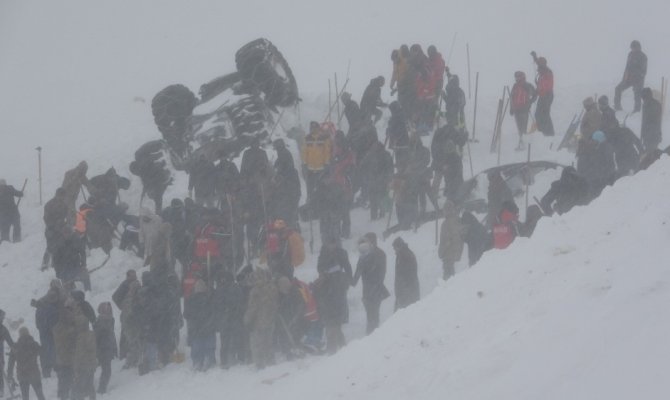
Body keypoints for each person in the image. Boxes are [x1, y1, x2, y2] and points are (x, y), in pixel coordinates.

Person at [314, 237, 352, 354]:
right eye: (329, 243)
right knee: (333, 322)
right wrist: (326, 274)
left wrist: (345, 281)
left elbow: (348, 269)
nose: (331, 246)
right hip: (328, 290)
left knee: (335, 322)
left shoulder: (342, 253)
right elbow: (319, 268)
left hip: (338, 289)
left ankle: (335, 349)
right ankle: (340, 347)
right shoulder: (323, 254)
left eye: (333, 243)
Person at [353, 233, 389, 334]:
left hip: (372, 290)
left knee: (372, 315)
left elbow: (357, 275)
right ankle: (373, 335)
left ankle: (372, 336)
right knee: (373, 315)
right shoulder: (376, 253)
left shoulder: (376, 254)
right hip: (373, 290)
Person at [243, 268, 279, 369]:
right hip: (270, 319)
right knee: (268, 342)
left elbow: (252, 308)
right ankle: (270, 362)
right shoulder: (272, 287)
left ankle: (260, 365)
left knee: (257, 344)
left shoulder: (255, 291)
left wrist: (247, 319)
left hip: (258, 322)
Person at [130, 141, 173, 213]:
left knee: (157, 193)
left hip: (164, 164)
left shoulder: (139, 156)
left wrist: (159, 145)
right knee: (157, 193)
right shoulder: (145, 175)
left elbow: (147, 147)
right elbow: (155, 192)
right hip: (163, 172)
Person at [183, 279, 216, 371]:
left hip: (196, 328)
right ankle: (210, 360)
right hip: (208, 327)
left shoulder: (191, 299)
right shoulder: (209, 298)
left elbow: (186, 314)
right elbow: (213, 312)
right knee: (209, 346)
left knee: (197, 346)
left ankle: (197, 362)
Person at [7, 327, 45, 400]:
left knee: (25, 397)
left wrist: (9, 374)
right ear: (28, 333)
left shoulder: (16, 346)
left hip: (22, 375)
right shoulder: (34, 344)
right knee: (40, 395)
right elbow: (43, 353)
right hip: (34, 374)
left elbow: (10, 363)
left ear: (19, 335)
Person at [301, 122, 332, 203]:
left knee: (320, 187)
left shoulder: (324, 138)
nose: (313, 129)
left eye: (315, 128)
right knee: (310, 187)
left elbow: (326, 151)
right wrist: (304, 163)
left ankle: (320, 202)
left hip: (321, 168)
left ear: (318, 128)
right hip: (310, 168)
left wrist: (326, 163)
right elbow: (304, 151)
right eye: (312, 128)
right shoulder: (307, 138)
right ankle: (309, 201)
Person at [614, 40, 647, 112]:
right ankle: (617, 107)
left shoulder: (643, 56)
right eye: (632, 48)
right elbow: (627, 67)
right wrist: (624, 77)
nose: (632, 49)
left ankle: (636, 110)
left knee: (637, 95)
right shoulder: (630, 54)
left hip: (638, 80)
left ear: (638, 47)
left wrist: (636, 75)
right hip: (628, 78)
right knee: (617, 89)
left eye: (634, 48)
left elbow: (643, 71)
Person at [42, 188, 69, 269]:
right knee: (50, 247)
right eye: (62, 196)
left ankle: (55, 264)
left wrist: (65, 224)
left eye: (64, 197)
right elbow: (46, 218)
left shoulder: (64, 205)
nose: (63, 198)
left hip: (61, 230)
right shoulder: (49, 204)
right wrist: (54, 225)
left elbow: (66, 216)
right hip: (51, 230)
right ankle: (44, 265)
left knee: (59, 247)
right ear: (57, 195)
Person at [93, 302, 117, 394]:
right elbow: (96, 337)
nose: (109, 311)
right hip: (102, 350)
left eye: (109, 310)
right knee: (106, 371)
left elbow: (112, 335)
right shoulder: (100, 322)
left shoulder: (110, 320)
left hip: (107, 349)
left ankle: (100, 388)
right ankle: (101, 390)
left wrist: (114, 348)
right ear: (101, 311)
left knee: (106, 370)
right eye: (106, 310)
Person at [510, 71, 537, 149]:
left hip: (524, 110)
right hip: (516, 110)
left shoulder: (527, 86)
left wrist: (529, 103)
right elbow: (512, 97)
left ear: (522, 77)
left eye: (518, 77)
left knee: (523, 128)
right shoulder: (515, 86)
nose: (517, 78)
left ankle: (522, 145)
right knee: (519, 128)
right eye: (516, 77)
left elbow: (535, 95)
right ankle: (521, 144)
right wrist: (511, 108)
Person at [438, 200, 464, 280]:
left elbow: (446, 239)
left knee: (448, 275)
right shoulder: (457, 220)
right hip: (452, 252)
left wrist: (441, 251)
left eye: (445, 210)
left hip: (448, 253)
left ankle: (448, 289)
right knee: (450, 274)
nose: (444, 212)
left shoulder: (447, 223)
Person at [392, 237, 419, 310]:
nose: (394, 251)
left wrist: (401, 291)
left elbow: (405, 275)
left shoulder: (403, 255)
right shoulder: (404, 254)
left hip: (406, 292)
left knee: (403, 314)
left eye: (395, 248)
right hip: (407, 290)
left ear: (398, 246)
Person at [531, 51, 555, 136]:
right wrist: (535, 57)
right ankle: (542, 131)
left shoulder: (547, 73)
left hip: (547, 95)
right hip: (543, 95)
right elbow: (538, 62)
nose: (538, 68)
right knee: (538, 114)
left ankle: (549, 133)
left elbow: (544, 87)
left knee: (544, 114)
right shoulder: (542, 72)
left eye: (540, 66)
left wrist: (536, 92)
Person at [61, 161, 90, 226]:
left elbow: (88, 184)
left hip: (73, 198)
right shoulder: (69, 173)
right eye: (83, 171)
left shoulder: (82, 176)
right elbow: (64, 186)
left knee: (71, 213)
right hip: (66, 197)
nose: (84, 173)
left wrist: (95, 192)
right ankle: (71, 228)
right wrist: (74, 178)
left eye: (85, 171)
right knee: (71, 213)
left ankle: (71, 226)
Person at [641, 87, 663, 152]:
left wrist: (644, 135)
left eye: (643, 97)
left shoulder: (652, 105)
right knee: (651, 152)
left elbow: (650, 121)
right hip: (651, 134)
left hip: (652, 134)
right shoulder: (650, 104)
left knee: (650, 152)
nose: (643, 99)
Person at [1, 309, 15, 396]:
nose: (3, 318)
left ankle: (1, 390)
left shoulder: (3, 329)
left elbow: (9, 340)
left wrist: (14, 348)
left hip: (0, 352)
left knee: (0, 369)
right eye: (2, 316)